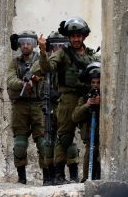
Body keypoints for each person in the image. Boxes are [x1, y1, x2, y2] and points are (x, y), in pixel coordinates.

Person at [37, 17, 100, 184]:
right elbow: (47, 68)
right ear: (69, 37)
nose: (76, 39)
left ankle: (89, 177)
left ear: (84, 36)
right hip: (68, 99)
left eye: (79, 36)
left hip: (88, 98)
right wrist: (43, 52)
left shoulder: (91, 55)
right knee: (65, 137)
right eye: (72, 36)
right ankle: (58, 175)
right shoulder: (62, 54)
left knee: (90, 138)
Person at [39, 31, 80, 185]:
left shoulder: (71, 60)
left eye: (61, 46)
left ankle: (73, 175)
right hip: (49, 105)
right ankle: (50, 176)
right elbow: (39, 70)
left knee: (68, 140)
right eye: (55, 46)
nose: (58, 49)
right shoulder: (46, 60)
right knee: (48, 141)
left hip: (64, 104)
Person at [7, 30, 46, 184]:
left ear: (34, 44)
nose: (25, 46)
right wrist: (23, 84)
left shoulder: (40, 60)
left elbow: (46, 70)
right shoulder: (15, 63)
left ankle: (47, 177)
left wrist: (36, 79)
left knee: (43, 143)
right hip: (20, 106)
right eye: (22, 43)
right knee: (20, 144)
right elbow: (10, 80)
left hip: (39, 104)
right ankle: (21, 177)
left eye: (28, 43)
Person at [72, 62, 101, 182]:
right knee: (90, 154)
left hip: (103, 138)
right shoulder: (85, 98)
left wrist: (101, 104)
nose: (95, 86)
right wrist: (87, 105)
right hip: (90, 138)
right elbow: (75, 117)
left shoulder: (109, 97)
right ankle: (86, 180)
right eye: (93, 83)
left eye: (98, 83)